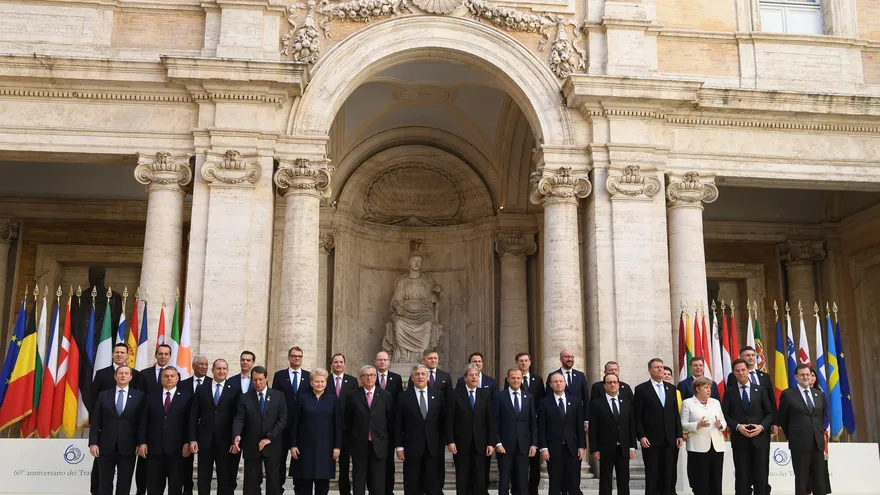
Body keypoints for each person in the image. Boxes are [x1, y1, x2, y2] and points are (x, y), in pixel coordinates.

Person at [90, 343, 144, 495]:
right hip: (105, 444)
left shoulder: (139, 397)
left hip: (128, 446)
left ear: (131, 376)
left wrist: (141, 442)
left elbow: (141, 421)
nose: (123, 376)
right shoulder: (103, 395)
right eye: (120, 374)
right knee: (104, 483)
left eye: (126, 374)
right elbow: (96, 417)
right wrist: (93, 442)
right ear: (115, 376)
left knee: (124, 484)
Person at [188, 358, 242, 495]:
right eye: (218, 368)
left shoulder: (235, 390)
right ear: (212, 370)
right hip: (204, 440)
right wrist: (193, 439)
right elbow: (193, 415)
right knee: (203, 477)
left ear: (228, 371)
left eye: (224, 369)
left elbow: (238, 417)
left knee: (224, 477)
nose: (221, 371)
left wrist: (234, 439)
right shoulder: (202, 389)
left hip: (225, 442)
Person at [231, 366, 288, 495]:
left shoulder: (278, 396)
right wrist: (236, 435)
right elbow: (239, 418)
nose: (258, 383)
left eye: (261, 380)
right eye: (255, 380)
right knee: (251, 483)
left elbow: (282, 419)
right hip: (251, 445)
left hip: (272, 445)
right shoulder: (245, 398)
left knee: (274, 482)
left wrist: (269, 437)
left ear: (266, 378)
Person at [138, 366, 193, 495]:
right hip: (154, 451)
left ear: (177, 378)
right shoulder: (150, 397)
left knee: (175, 487)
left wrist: (187, 442)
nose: (169, 378)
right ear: (161, 379)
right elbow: (144, 422)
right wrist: (142, 442)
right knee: (154, 488)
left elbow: (189, 423)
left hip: (177, 451)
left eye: (172, 376)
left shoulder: (187, 397)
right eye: (166, 376)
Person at [722, 359, 773, 495]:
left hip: (760, 440)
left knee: (761, 476)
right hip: (740, 440)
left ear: (748, 371)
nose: (741, 373)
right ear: (734, 373)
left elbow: (769, 413)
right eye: (737, 371)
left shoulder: (760, 390)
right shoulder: (730, 392)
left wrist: (761, 427)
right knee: (742, 476)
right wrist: (738, 426)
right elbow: (725, 415)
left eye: (743, 370)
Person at [395, 364, 447, 495]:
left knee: (432, 483)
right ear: (412, 378)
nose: (420, 377)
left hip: (433, 448)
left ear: (428, 377)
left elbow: (443, 421)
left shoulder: (438, 395)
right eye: (417, 374)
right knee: (412, 484)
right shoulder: (403, 397)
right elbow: (398, 424)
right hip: (411, 448)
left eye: (423, 374)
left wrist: (442, 442)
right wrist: (399, 447)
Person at [634, 358, 683, 495]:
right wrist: (641, 435)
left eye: (661, 367)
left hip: (670, 439)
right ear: (650, 370)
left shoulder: (672, 389)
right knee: (652, 474)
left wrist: (679, 434)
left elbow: (675, 414)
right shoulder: (641, 389)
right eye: (657, 367)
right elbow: (637, 416)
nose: (660, 369)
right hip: (650, 440)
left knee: (668, 474)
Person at [290, 368, 342, 495]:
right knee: (303, 485)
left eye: (322, 381)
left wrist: (337, 446)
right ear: (311, 383)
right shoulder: (302, 399)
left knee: (322, 486)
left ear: (326, 383)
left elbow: (338, 425)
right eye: (317, 381)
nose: (320, 384)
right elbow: (294, 423)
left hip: (326, 447)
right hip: (304, 448)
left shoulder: (333, 400)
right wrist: (293, 445)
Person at [447, 364, 496, 495]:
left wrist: (491, 443)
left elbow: (490, 421)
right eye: (471, 375)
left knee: (480, 479)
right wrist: (450, 441)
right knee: (462, 478)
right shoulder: (455, 394)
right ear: (465, 378)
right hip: (461, 444)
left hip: (481, 444)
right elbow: (449, 420)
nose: (474, 377)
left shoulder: (485, 395)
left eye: (476, 375)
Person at [778, 364, 827, 495]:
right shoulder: (788, 394)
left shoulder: (819, 395)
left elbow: (822, 416)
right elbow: (782, 418)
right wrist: (793, 435)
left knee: (819, 479)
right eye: (802, 375)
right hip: (799, 443)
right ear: (796, 377)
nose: (805, 377)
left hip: (817, 443)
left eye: (808, 374)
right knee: (801, 479)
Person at [345, 365, 394, 495]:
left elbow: (390, 421)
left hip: (379, 444)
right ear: (360, 379)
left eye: (372, 375)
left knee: (377, 483)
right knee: (358, 481)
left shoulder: (385, 395)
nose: (369, 378)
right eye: (365, 375)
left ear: (376, 377)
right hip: (359, 444)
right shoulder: (352, 396)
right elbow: (347, 420)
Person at [504, 352, 544, 495]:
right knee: (514, 470)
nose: (524, 363)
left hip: (530, 427)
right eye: (521, 361)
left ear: (530, 362)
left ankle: (533, 490)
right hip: (513, 431)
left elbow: (541, 401)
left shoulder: (537, 380)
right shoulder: (509, 381)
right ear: (517, 363)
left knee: (532, 465)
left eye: (526, 361)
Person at [273, 346, 312, 495]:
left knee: (299, 459)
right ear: (289, 358)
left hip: (301, 427)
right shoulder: (279, 375)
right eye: (294, 356)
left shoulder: (309, 376)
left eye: (299, 356)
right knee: (280, 459)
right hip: (282, 425)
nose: (297, 358)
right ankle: (278, 489)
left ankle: (299, 490)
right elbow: (275, 399)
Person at [589, 372, 636, 495]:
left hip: (623, 447)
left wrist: (632, 446)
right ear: (604, 385)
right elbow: (593, 428)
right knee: (605, 480)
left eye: (615, 382)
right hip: (605, 448)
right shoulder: (596, 404)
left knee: (624, 479)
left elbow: (631, 426)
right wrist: (595, 449)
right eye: (609, 382)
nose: (612, 384)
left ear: (619, 384)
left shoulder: (626, 403)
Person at [539, 372, 585, 495]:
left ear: (565, 383)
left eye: (560, 381)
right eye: (555, 381)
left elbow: (579, 426)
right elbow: (541, 427)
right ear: (550, 384)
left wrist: (581, 446)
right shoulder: (544, 403)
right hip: (553, 449)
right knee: (555, 483)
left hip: (572, 448)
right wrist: (544, 448)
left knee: (573, 482)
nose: (558, 384)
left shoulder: (575, 402)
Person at [494, 368, 537, 495]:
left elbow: (532, 422)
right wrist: (497, 443)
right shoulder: (499, 396)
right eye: (513, 378)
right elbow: (494, 422)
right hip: (505, 446)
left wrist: (534, 443)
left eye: (518, 378)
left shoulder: (528, 397)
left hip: (524, 445)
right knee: (504, 481)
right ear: (508, 379)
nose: (516, 380)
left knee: (523, 481)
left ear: (522, 379)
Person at [680, 376, 726, 495]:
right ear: (697, 389)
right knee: (700, 481)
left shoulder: (715, 402)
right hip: (697, 447)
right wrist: (697, 425)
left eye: (709, 387)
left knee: (716, 480)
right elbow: (683, 424)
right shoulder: (688, 403)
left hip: (716, 446)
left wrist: (721, 425)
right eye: (705, 387)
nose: (709, 390)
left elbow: (723, 421)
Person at [179, 355, 210, 495]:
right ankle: (188, 491)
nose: (204, 367)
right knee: (186, 466)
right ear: (193, 366)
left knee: (205, 467)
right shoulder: (182, 384)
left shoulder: (212, 383)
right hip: (186, 431)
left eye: (206, 365)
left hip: (206, 432)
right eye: (200, 364)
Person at [375, 351, 404, 495]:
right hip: (373, 427)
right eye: (380, 360)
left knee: (389, 463)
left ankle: (389, 490)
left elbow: (399, 402)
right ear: (375, 362)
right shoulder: (370, 376)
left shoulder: (396, 378)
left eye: (385, 360)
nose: (382, 362)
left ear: (389, 362)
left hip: (390, 427)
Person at [328, 353, 357, 495]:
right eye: (335, 362)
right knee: (326, 462)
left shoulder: (352, 381)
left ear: (344, 364)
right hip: (327, 428)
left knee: (345, 463)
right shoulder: (325, 380)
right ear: (331, 364)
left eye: (341, 362)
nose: (338, 364)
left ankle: (345, 491)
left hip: (346, 429)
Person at [228, 350, 256, 491]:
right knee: (231, 466)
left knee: (252, 467)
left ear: (253, 363)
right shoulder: (231, 381)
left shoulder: (258, 381)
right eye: (243, 359)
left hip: (252, 430)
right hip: (235, 429)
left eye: (248, 360)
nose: (245, 362)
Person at [545, 349, 590, 430]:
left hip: (577, 417)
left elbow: (586, 398)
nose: (570, 359)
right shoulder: (553, 376)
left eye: (571, 357)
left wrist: (586, 419)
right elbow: (548, 398)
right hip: (558, 417)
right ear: (560, 359)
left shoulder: (580, 375)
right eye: (566, 357)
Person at [805, 367, 831, 495]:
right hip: (805, 435)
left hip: (819, 434)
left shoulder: (820, 393)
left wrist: (822, 428)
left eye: (813, 375)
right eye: (809, 375)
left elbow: (826, 413)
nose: (811, 377)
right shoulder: (798, 394)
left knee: (821, 465)